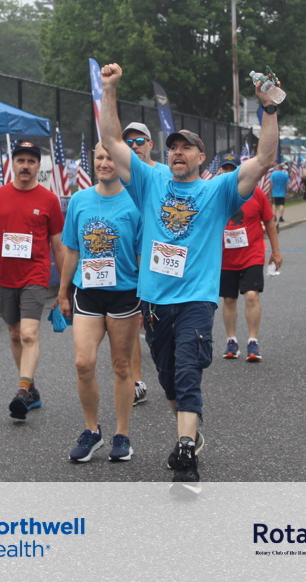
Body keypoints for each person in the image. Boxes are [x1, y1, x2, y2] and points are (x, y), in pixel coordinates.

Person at [97, 61, 279, 488]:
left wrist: (269, 108)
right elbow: (111, 140)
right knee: (168, 380)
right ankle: (190, 431)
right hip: (154, 301)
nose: (177, 152)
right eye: (173, 147)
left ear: (201, 157)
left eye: (186, 147)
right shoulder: (150, 181)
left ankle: (184, 451)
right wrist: (109, 89)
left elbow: (264, 158)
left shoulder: (218, 190)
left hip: (196, 298)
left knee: (187, 371)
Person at [0, 141, 65, 420]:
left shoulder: (49, 200)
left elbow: (58, 246)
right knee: (14, 333)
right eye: (21, 160)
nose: (25, 166)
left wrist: (65, 285)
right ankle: (31, 388)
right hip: (3, 276)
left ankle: (21, 391)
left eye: (31, 161)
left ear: (38, 166)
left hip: (35, 275)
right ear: (12, 164)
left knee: (28, 333)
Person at [57, 142, 142, 462]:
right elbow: (72, 250)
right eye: (100, 157)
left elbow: (141, 254)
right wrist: (62, 292)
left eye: (111, 158)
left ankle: (122, 435)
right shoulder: (79, 200)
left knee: (122, 366)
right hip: (88, 291)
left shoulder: (135, 202)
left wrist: (146, 299)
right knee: (83, 362)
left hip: (125, 293)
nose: (105, 163)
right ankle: (92, 431)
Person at [218, 153, 282, 362]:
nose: (228, 172)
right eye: (225, 168)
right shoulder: (216, 194)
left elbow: (269, 222)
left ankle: (253, 341)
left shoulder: (256, 193)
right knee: (229, 299)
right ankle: (231, 340)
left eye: (232, 169)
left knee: (252, 295)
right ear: (220, 171)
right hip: (225, 256)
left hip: (252, 254)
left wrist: (276, 251)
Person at [121, 121, 166, 406]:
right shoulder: (121, 175)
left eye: (139, 141)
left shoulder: (165, 174)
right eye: (128, 143)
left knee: (162, 331)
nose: (134, 146)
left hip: (160, 262)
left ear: (150, 144)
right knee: (131, 327)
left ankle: (173, 372)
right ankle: (136, 381)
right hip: (128, 263)